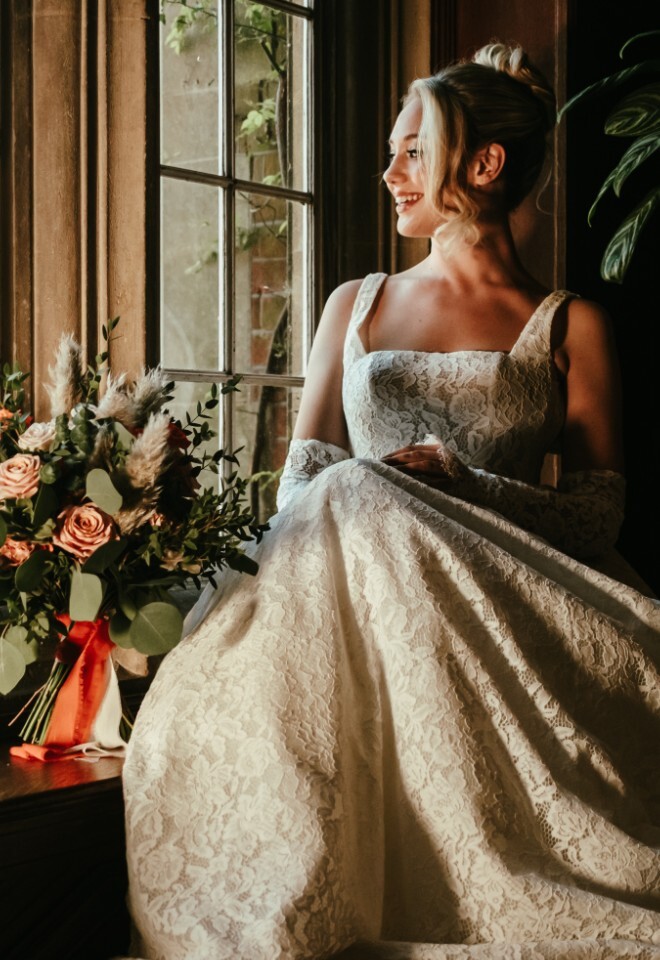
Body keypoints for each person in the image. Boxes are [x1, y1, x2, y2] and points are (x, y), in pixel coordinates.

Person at [122, 43, 660, 960]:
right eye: (391, 150)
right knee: (356, 488)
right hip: (356, 612)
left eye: (413, 150)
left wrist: (467, 481)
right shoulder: (354, 305)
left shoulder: (573, 324)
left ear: (483, 164)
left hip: (501, 603)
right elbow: (303, 485)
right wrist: (374, 485)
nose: (389, 173)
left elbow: (597, 515)